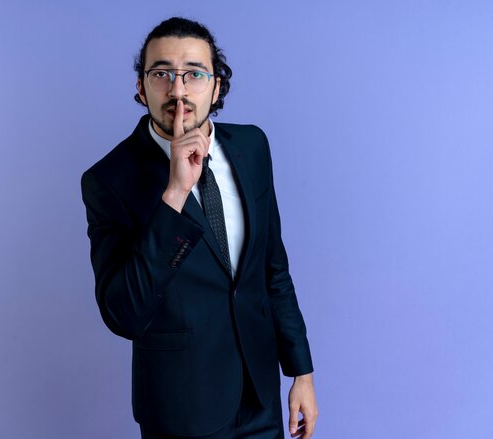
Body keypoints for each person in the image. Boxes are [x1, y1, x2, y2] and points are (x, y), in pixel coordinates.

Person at [81, 17, 318, 439]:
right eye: (161, 74)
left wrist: (300, 371)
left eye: (193, 73)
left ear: (217, 86)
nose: (177, 89)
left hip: (260, 396)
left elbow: (272, 268)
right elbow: (123, 314)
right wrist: (173, 195)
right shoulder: (108, 180)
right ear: (141, 87)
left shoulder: (252, 146)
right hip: (181, 408)